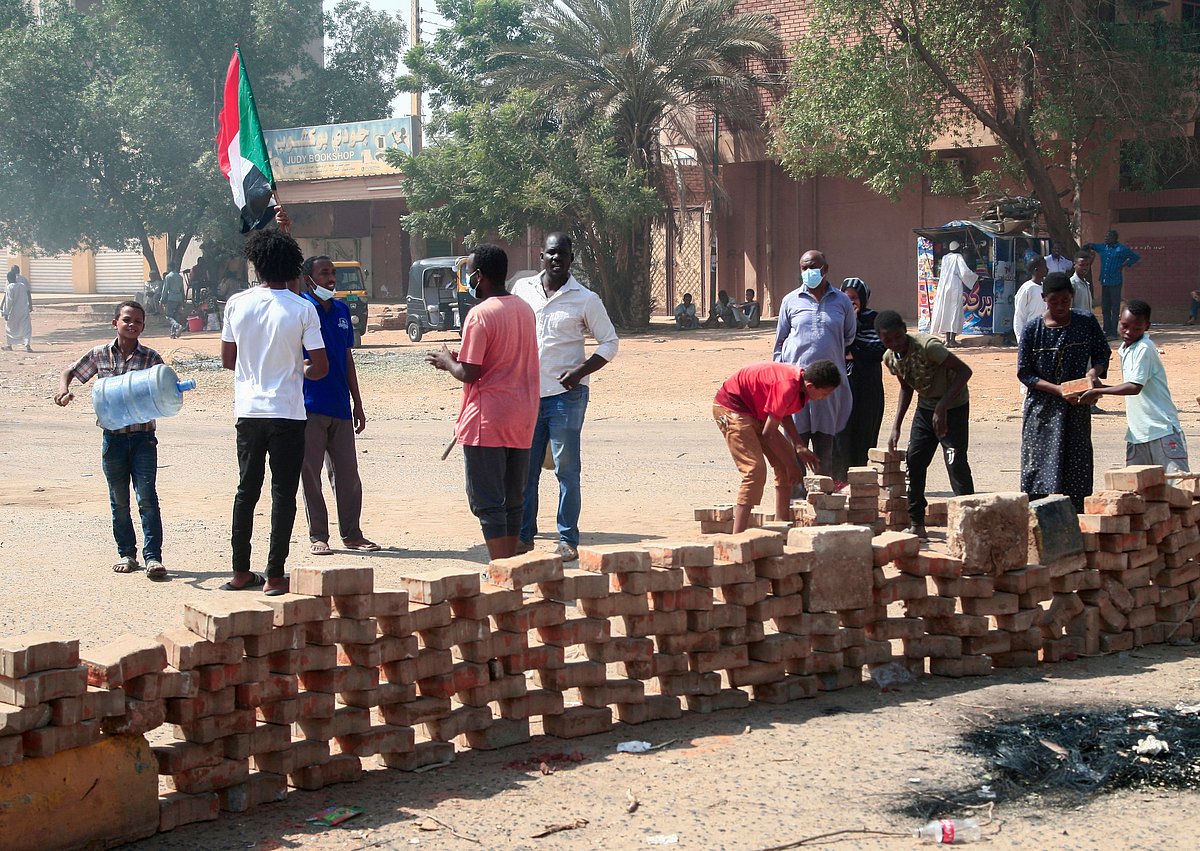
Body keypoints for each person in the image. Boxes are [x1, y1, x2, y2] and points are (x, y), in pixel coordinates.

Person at [221, 227, 328, 594]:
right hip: (288, 413)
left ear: (257, 263)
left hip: (249, 412)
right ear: (294, 267)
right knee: (283, 493)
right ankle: (275, 575)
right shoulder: (303, 309)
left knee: (246, 491)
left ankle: (240, 571)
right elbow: (321, 366)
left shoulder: (237, 303)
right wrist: (298, 370)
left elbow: (228, 360)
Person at [511, 232, 619, 562]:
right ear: (540, 255)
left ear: (572, 258)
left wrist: (581, 372)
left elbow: (609, 343)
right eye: (551, 253)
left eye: (564, 254)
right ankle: (524, 537)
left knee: (566, 469)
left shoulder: (585, 299)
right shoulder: (522, 291)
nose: (557, 259)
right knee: (525, 472)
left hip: (566, 398)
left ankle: (567, 538)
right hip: (527, 397)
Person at [427, 244, 539, 558]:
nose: (469, 279)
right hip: (522, 416)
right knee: (513, 498)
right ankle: (513, 567)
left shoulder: (479, 315)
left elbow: (470, 372)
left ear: (479, 276)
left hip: (488, 420)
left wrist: (446, 361)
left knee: (488, 501)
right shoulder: (524, 309)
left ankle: (501, 566)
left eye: (470, 273)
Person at [54, 302, 168, 579]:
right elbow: (69, 371)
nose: (132, 325)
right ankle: (127, 554)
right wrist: (63, 391)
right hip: (113, 440)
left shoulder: (151, 359)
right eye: (127, 320)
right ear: (114, 322)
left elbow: (164, 391)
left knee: (147, 498)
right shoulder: (99, 355)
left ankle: (153, 558)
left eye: (138, 322)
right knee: (119, 501)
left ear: (143, 326)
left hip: (143, 438)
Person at [298, 254, 380, 557]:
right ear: (309, 278)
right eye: (323, 273)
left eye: (332, 273)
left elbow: (347, 358)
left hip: (340, 405)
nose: (330, 279)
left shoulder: (343, 310)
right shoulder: (302, 308)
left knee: (347, 473)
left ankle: (352, 533)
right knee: (311, 474)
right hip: (309, 405)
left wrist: (357, 403)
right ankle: (318, 535)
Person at [875, 310, 975, 540]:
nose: (895, 343)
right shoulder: (890, 358)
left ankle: (970, 522)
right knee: (915, 460)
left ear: (904, 331)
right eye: (888, 340)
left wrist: (942, 408)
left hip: (954, 406)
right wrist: (896, 426)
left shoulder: (929, 347)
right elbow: (906, 387)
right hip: (926, 408)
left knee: (955, 461)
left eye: (898, 337)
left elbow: (964, 372)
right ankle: (917, 522)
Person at [1017, 272, 1111, 512]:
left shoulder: (1085, 321)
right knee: (1037, 470)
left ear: (1072, 297)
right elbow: (1025, 373)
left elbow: (1102, 352)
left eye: (1065, 301)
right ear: (1043, 298)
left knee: (1076, 469)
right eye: (1054, 302)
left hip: (1076, 407)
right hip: (1042, 410)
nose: (1060, 306)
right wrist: (1058, 390)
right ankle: (1037, 524)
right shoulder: (1032, 330)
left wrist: (1094, 373)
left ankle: (1076, 521)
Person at [714, 360, 840, 533]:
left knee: (783, 460)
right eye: (825, 393)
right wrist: (793, 466)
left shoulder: (799, 384)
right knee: (755, 470)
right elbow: (768, 434)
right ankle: (738, 537)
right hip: (732, 408)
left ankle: (781, 525)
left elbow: (782, 413)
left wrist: (799, 446)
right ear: (810, 386)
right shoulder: (788, 386)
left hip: (755, 410)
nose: (825, 398)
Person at [773, 249, 856, 485]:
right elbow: (780, 341)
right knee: (796, 445)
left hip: (828, 386)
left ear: (825, 269)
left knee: (824, 446)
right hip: (796, 385)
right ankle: (797, 498)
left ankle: (823, 500)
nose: (809, 272)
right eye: (804, 268)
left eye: (813, 267)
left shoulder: (842, 302)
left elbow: (849, 336)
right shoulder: (790, 301)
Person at [1080, 300, 1188, 472]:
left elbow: (1134, 387)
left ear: (1147, 327)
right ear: (1118, 320)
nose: (1129, 332)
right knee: (1137, 492)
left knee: (1178, 490)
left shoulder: (1144, 347)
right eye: (1124, 326)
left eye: (1136, 328)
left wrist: (1099, 390)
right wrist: (1100, 387)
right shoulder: (1126, 348)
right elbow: (1132, 385)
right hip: (1137, 433)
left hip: (1161, 431)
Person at [832, 277, 885, 481]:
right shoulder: (835, 320)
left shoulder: (874, 320)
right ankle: (838, 480)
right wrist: (848, 325)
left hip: (867, 387)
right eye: (846, 298)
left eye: (854, 298)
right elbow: (832, 348)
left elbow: (879, 350)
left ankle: (860, 480)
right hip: (841, 386)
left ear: (863, 299)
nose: (850, 302)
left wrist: (854, 351)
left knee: (865, 432)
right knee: (840, 434)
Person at [1084, 229, 1140, 338]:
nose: (1105, 238)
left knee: (1114, 308)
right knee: (1105, 307)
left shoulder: (1121, 249)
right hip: (1105, 282)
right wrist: (1086, 247)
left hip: (1115, 282)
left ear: (1114, 238)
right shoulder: (1103, 247)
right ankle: (1106, 330)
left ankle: (1114, 332)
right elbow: (1092, 246)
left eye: (1108, 237)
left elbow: (1135, 257)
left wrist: (1124, 265)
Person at [929, 241, 978, 347]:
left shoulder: (945, 258)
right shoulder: (958, 257)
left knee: (946, 313)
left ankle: (947, 340)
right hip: (954, 287)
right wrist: (975, 277)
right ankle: (952, 340)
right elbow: (964, 272)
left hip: (944, 287)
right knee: (954, 313)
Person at [1011, 256, 1049, 346]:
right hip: (1031, 333)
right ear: (1036, 270)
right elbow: (1019, 315)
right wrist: (1020, 338)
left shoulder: (1045, 287)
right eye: (1044, 267)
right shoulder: (1027, 288)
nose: (1047, 269)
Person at [3, 265, 32, 352]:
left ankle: (9, 345)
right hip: (23, 310)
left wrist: (6, 313)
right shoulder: (22, 285)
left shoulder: (9, 287)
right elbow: (27, 294)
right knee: (26, 327)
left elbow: (8, 301)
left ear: (8, 279)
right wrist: (30, 305)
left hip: (13, 311)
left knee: (10, 328)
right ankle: (27, 345)